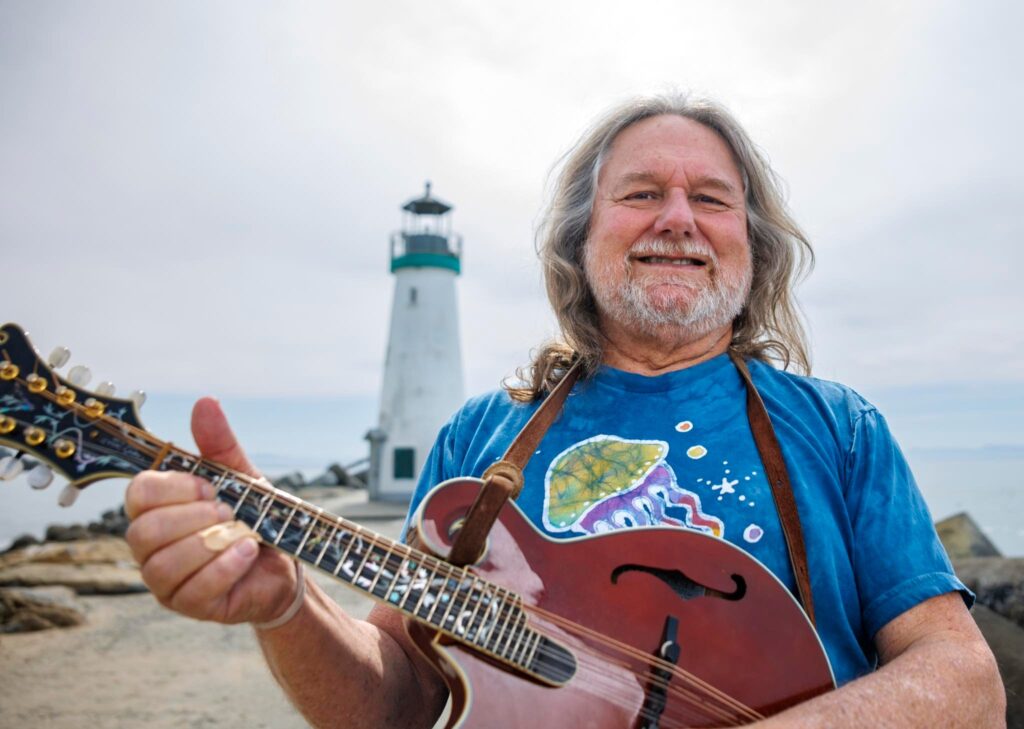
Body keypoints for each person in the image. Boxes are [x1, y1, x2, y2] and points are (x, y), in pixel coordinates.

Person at [124, 92, 1006, 728]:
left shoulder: (841, 427)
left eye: (710, 198)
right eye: (638, 193)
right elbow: (395, 702)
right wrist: (288, 607)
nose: (676, 218)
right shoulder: (478, 439)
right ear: (582, 242)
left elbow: (966, 681)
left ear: (753, 244)